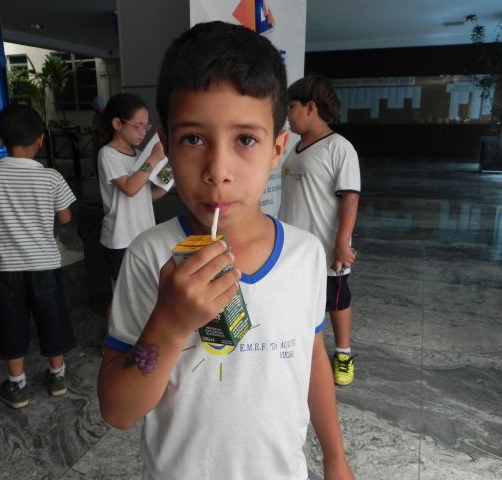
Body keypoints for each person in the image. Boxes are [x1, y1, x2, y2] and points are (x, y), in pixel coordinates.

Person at [98, 21, 356, 480]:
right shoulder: (150, 256)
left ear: (277, 148)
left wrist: (335, 459)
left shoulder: (305, 255)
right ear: (166, 146)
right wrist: (169, 325)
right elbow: (117, 411)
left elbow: (312, 356)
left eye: (246, 139)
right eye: (193, 139)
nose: (218, 170)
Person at [0, 104, 77, 409]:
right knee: (52, 316)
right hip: (45, 265)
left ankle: (17, 386)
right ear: (40, 139)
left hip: (7, 267)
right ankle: (57, 377)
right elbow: (65, 217)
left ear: (0, 139)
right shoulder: (51, 177)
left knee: (11, 320)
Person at [278, 75, 361, 387]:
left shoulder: (339, 147)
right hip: (294, 247)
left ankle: (343, 354)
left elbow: (350, 197)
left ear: (310, 107)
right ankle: (306, 352)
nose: (288, 114)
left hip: (325, 248)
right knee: (300, 301)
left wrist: (341, 243)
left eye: (291, 107)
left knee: (337, 301)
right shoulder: (296, 148)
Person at [97, 93, 167, 286]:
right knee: (125, 292)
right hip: (121, 239)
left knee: (145, 289)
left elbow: (144, 196)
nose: (143, 132)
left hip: (144, 234)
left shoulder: (138, 154)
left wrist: (167, 183)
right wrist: (153, 158)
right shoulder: (108, 154)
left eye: (146, 126)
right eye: (138, 125)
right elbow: (129, 188)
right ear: (117, 123)